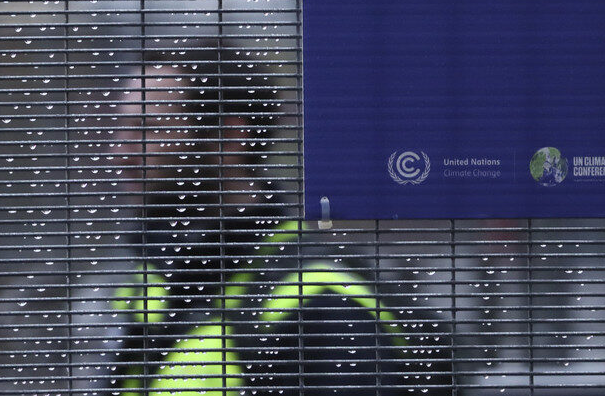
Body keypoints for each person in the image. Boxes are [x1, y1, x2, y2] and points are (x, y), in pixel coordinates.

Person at [99, 38, 454, 395]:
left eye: (147, 129)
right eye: (122, 128)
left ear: (228, 139)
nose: (118, 152)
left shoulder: (323, 303)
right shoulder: (159, 289)